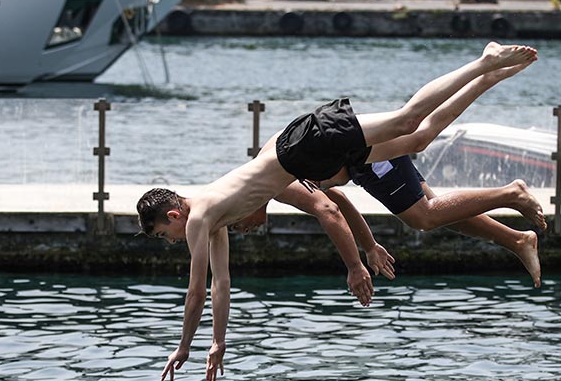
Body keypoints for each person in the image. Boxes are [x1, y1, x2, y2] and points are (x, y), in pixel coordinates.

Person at [136, 42, 541, 381]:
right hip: (303, 153)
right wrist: (217, 343)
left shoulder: (200, 217)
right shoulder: (215, 221)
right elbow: (219, 286)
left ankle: (483, 62)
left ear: (172, 216)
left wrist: (182, 346)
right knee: (419, 138)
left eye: (162, 236)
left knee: (407, 120)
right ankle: (488, 76)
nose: (171, 242)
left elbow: (195, 293)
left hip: (300, 148)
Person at [232, 56, 542, 288]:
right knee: (441, 210)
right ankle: (516, 240)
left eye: (237, 225)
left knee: (423, 206)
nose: (243, 230)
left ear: (243, 206)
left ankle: (511, 193)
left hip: (354, 152)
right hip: (354, 161)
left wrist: (355, 266)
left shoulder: (273, 183)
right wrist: (369, 245)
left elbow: (329, 211)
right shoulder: (270, 186)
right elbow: (337, 200)